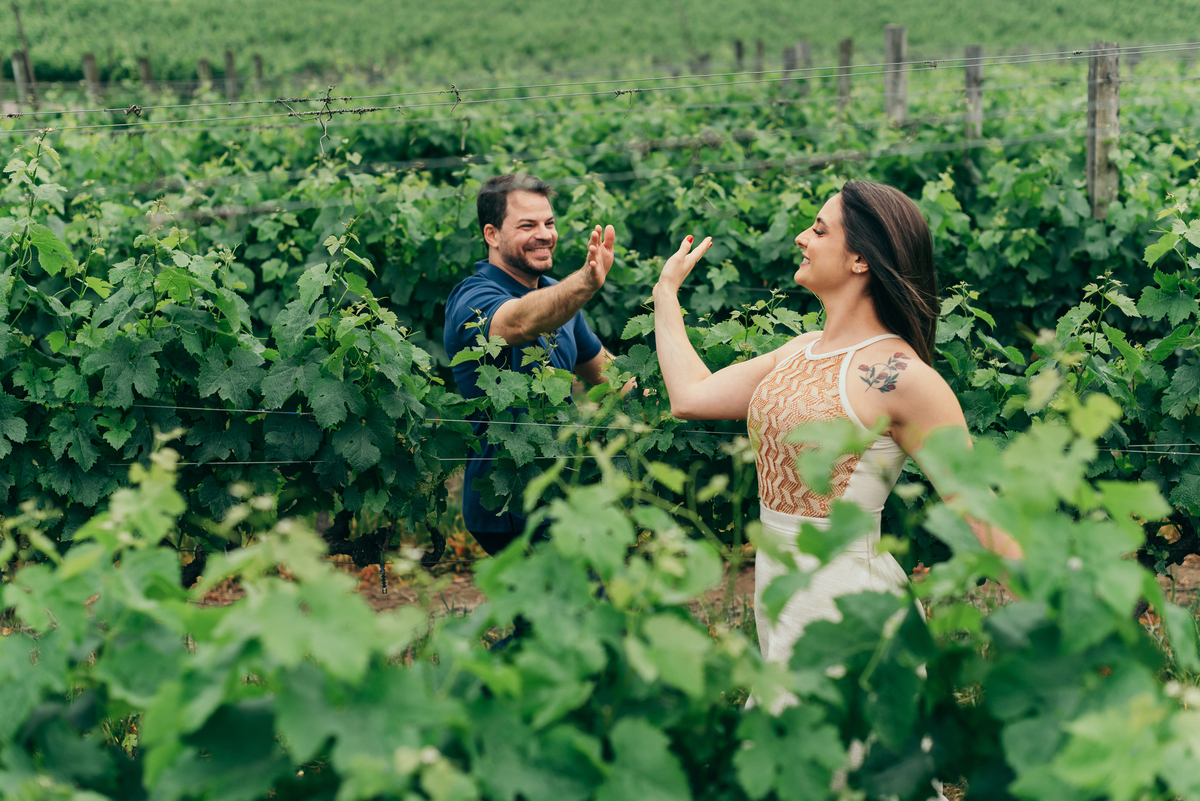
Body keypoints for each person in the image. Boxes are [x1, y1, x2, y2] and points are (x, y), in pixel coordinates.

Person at [651, 180, 1022, 695]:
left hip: (850, 608)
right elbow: (691, 395)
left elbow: (979, 511)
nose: (802, 237)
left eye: (819, 230)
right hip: (781, 593)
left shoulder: (903, 377)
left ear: (860, 261)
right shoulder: (800, 351)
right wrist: (665, 294)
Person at [444, 173, 619, 556]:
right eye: (528, 225)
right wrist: (584, 285)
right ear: (492, 235)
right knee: (574, 607)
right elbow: (519, 322)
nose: (545, 234)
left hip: (559, 484)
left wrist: (683, 397)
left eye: (549, 223)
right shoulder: (472, 296)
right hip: (509, 496)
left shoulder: (556, 294)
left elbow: (608, 375)